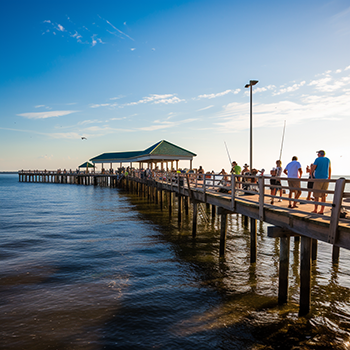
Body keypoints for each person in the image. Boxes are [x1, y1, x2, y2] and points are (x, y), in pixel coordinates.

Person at [310, 150, 331, 214]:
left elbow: (313, 168)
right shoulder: (328, 159)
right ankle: (322, 210)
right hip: (325, 179)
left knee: (316, 195)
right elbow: (329, 168)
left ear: (319, 154)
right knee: (323, 195)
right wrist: (329, 177)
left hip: (318, 179)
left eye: (318, 154)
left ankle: (315, 209)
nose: (317, 155)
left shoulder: (317, 159)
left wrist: (311, 176)